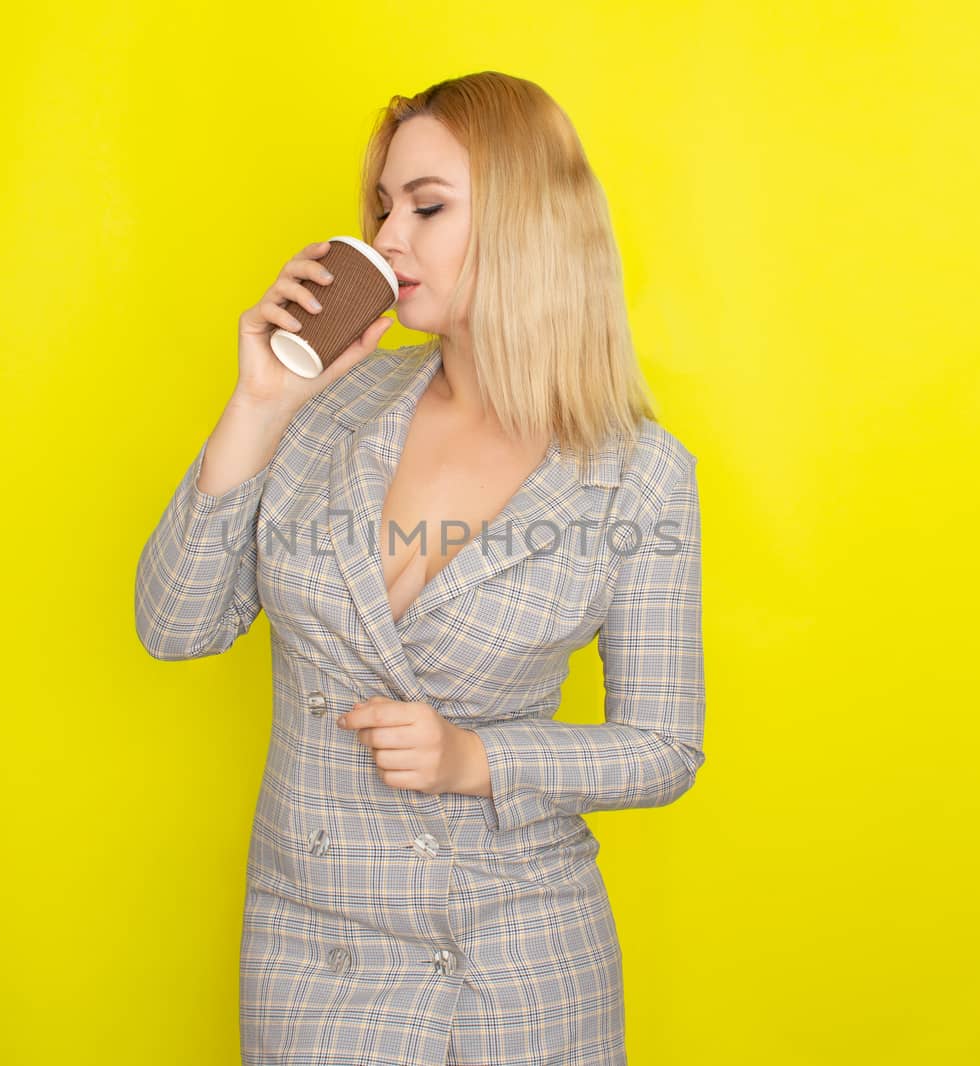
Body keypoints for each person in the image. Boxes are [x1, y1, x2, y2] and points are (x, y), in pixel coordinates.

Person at [136, 70, 704, 1066]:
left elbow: (663, 746)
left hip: (522, 962)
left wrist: (475, 759)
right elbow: (175, 626)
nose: (386, 237)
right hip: (319, 952)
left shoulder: (639, 475)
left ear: (528, 220)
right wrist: (259, 403)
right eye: (381, 206)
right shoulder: (328, 408)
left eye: (427, 208)